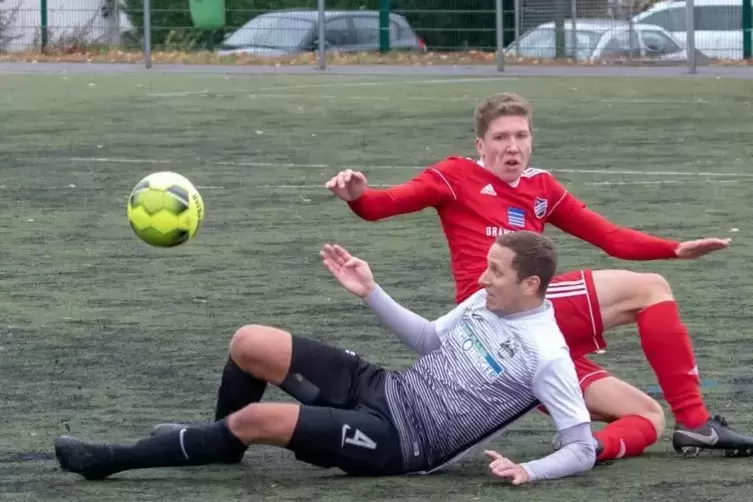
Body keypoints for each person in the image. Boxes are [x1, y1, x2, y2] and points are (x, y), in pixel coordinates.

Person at [324, 92, 753, 461]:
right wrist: (358, 196)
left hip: (527, 339)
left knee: (646, 416)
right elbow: (384, 204)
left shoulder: (541, 187)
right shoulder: (455, 176)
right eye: (501, 137)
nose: (513, 147)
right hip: (491, 316)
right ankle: (697, 422)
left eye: (521, 135)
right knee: (651, 288)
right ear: (481, 144)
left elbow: (610, 237)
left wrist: (674, 249)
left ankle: (588, 449)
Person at [55, 232, 597, 484]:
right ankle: (220, 445)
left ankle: (113, 459)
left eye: (495, 272)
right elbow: (431, 342)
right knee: (250, 342)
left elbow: (581, 447)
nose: (482, 279)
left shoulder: (547, 353)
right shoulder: (485, 300)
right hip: (385, 388)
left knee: (255, 419)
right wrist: (370, 291)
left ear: (531, 285)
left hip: (402, 443)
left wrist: (528, 469)